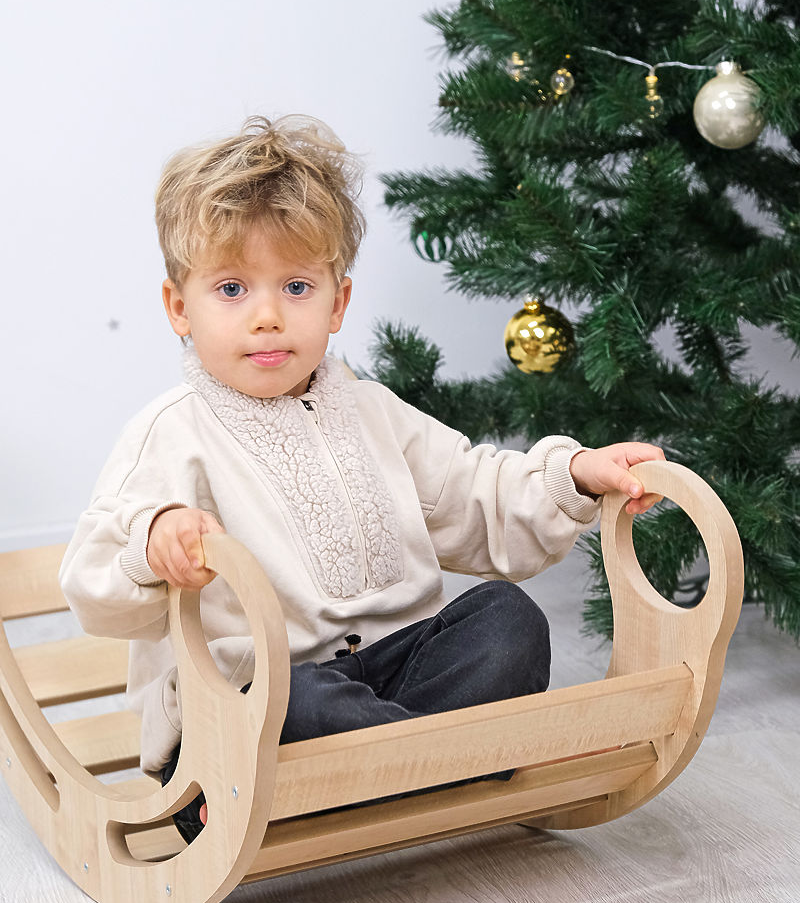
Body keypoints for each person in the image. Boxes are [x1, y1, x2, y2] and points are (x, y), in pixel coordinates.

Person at [59, 115, 664, 843]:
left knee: (508, 618)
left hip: (396, 671)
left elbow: (475, 494)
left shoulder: (374, 411)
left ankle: (403, 766)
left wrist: (574, 475)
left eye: (295, 286)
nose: (267, 317)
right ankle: (449, 760)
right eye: (231, 288)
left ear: (338, 302)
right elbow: (91, 580)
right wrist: (151, 541)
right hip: (250, 714)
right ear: (179, 308)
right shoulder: (170, 434)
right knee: (303, 696)